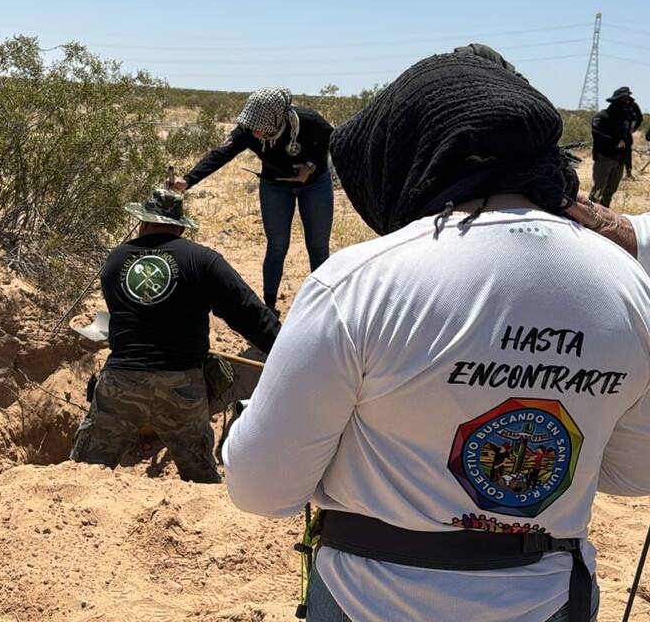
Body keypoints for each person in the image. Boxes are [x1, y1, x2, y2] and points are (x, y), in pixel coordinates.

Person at [222, 49, 650, 622]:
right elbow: (631, 473)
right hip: (548, 596)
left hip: (367, 599)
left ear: (412, 150)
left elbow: (261, 488)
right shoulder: (630, 286)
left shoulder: (359, 282)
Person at [69, 188, 279, 483]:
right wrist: (282, 349)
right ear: (181, 227)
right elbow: (247, 312)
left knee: (82, 474)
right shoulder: (203, 260)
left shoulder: (116, 260)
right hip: (181, 385)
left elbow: (128, 315)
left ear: (142, 222)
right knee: (201, 478)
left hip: (121, 382)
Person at [172, 88, 333, 312]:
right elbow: (221, 154)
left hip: (314, 186)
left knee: (317, 247)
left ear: (277, 118)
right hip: (275, 187)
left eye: (260, 127)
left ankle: (323, 307)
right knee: (277, 246)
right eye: (252, 126)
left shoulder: (308, 121)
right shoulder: (248, 129)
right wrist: (188, 180)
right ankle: (268, 307)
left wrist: (310, 166)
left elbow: (332, 141)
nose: (255, 131)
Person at [588, 86, 641, 207]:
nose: (627, 103)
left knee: (610, 191)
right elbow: (597, 135)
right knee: (598, 189)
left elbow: (638, 118)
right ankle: (587, 215)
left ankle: (604, 215)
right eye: (624, 100)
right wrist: (615, 142)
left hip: (619, 160)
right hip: (604, 158)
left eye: (628, 100)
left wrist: (628, 165)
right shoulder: (602, 117)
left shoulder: (625, 118)